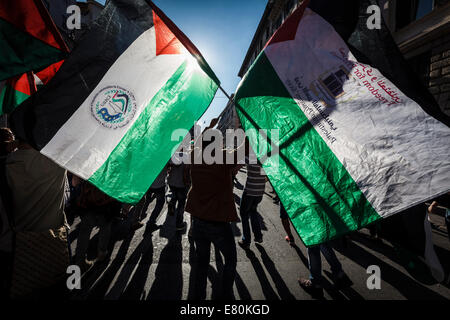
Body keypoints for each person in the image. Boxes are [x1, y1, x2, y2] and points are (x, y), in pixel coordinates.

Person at [185, 118, 242, 300]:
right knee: (230, 260)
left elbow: (198, 143)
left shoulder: (194, 154)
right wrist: (244, 127)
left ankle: (197, 297)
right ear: (219, 143)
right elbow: (244, 149)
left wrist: (209, 127)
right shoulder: (222, 156)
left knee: (201, 262)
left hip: (198, 219)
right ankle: (225, 294)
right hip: (218, 221)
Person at [72, 177, 121, 270]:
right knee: (105, 228)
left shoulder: (88, 163)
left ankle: (80, 260)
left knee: (84, 232)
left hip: (88, 202)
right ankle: (102, 253)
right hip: (107, 202)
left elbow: (75, 183)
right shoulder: (113, 162)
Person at [237, 157, 266, 249]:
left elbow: (237, 163)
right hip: (260, 191)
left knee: (244, 214)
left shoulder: (250, 156)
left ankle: (246, 240)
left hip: (249, 191)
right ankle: (258, 237)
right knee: (253, 211)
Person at [168, 157, 189, 231]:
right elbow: (187, 170)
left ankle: (172, 203)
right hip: (181, 183)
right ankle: (179, 223)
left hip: (172, 181)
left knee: (174, 195)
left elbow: (168, 166)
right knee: (181, 204)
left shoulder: (173, 156)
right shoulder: (188, 155)